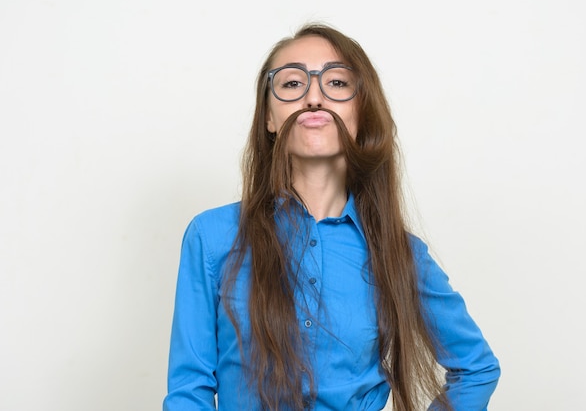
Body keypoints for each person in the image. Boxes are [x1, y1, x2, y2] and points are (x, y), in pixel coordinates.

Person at [163, 23, 500, 411]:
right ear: (269, 118)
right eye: (291, 83)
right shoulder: (212, 236)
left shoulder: (400, 252)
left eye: (337, 83)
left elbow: (478, 368)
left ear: (361, 114)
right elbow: (189, 391)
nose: (313, 97)